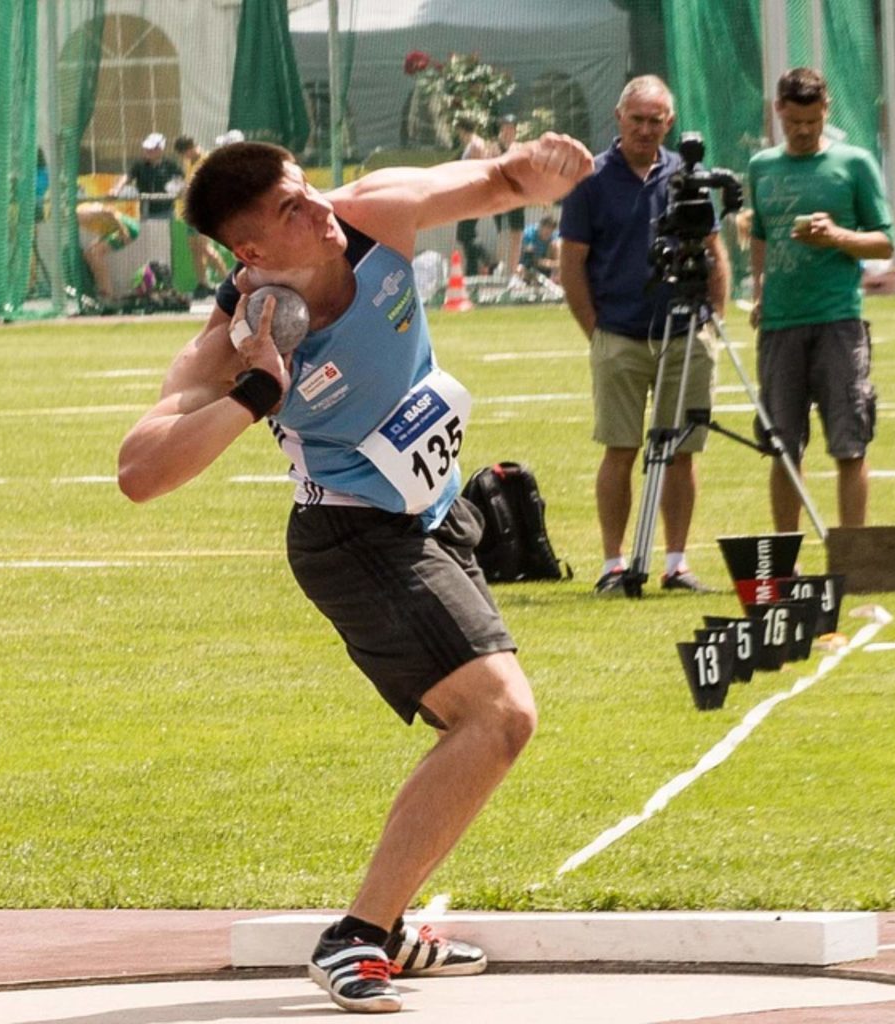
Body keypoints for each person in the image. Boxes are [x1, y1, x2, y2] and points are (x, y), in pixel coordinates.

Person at [116, 132, 592, 1014]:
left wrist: (544, 165)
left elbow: (493, 181)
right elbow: (140, 472)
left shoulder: (373, 215)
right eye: (291, 209)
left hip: (437, 516)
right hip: (354, 539)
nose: (317, 208)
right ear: (252, 251)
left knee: (484, 724)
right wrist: (257, 392)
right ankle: (359, 938)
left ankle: (389, 924)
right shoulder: (242, 330)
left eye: (307, 187)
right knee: (499, 717)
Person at [559, 75, 728, 595]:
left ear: (669, 123)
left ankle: (676, 562)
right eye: (637, 119)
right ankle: (613, 563)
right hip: (620, 333)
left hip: (686, 333)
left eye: (656, 121)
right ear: (618, 117)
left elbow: (713, 251)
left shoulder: (687, 175)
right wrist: (596, 330)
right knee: (620, 448)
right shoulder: (590, 178)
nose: (646, 130)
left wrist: (714, 320)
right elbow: (572, 264)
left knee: (682, 451)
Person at [747, 67, 893, 534]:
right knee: (782, 450)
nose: (805, 132)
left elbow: (886, 242)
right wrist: (759, 290)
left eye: (812, 122)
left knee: (850, 445)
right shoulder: (761, 167)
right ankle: (786, 561)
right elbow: (761, 237)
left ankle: (853, 557)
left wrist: (837, 237)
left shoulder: (854, 164)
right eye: (794, 123)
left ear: (825, 111)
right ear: (779, 112)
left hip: (837, 320)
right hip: (780, 325)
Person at [174, 135, 228, 296]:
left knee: (205, 248)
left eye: (185, 153)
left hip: (205, 211)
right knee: (195, 249)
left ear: (191, 147)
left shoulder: (206, 160)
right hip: (190, 211)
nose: (184, 157)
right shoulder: (187, 162)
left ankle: (228, 280)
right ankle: (203, 283)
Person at [76, 201, 141, 301]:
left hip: (126, 227)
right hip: (112, 231)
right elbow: (104, 225)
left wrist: (123, 230)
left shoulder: (81, 212)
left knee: (96, 253)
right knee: (88, 254)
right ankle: (99, 286)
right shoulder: (77, 220)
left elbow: (108, 212)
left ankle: (107, 293)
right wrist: (98, 240)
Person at [452, 117, 492, 273]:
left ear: (462, 129)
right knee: (468, 233)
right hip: (469, 193)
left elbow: (477, 168)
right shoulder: (472, 144)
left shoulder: (476, 144)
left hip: (474, 194)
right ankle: (471, 269)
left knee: (463, 233)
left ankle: (488, 259)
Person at [113, 132, 183, 221]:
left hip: (166, 212)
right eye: (146, 148)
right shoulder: (139, 165)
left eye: (151, 148)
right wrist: (116, 189)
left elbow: (182, 179)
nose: (147, 151)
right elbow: (127, 177)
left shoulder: (170, 165)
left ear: (160, 149)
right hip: (145, 212)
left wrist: (180, 188)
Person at [490, 115, 525, 281]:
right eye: (505, 128)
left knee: (516, 233)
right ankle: (501, 268)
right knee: (502, 232)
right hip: (500, 195)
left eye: (511, 128)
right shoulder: (494, 148)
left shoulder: (519, 147)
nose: (508, 131)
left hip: (517, 195)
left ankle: (513, 272)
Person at [518, 214, 559, 284]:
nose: (548, 234)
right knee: (521, 268)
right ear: (540, 227)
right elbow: (527, 257)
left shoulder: (554, 236)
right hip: (525, 262)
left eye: (551, 231)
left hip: (543, 263)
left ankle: (554, 277)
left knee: (556, 244)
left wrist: (552, 264)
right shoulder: (529, 235)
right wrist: (542, 262)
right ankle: (526, 278)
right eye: (546, 231)